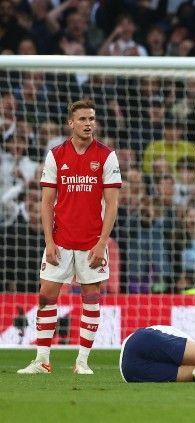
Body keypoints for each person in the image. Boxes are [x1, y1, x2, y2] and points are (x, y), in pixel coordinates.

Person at [18, 99, 121, 375]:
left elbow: (112, 204)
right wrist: (49, 242)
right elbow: (46, 202)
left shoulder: (107, 156)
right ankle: (41, 361)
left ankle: (82, 362)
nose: (89, 124)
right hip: (60, 242)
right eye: (83, 119)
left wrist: (102, 243)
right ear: (70, 123)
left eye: (92, 119)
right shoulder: (55, 155)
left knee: (91, 297)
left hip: (91, 244)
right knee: (46, 296)